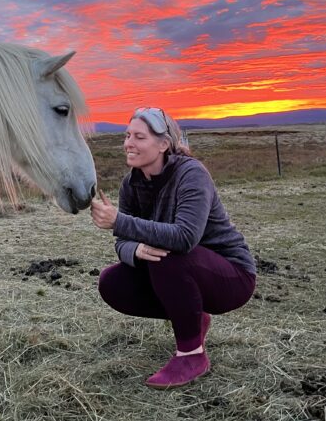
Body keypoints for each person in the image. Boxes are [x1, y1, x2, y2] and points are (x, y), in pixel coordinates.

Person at [90, 107, 256, 389]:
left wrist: (119, 220)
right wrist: (133, 250)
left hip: (232, 276)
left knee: (167, 256)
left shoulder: (191, 174)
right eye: (127, 135)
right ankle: (193, 319)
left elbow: (185, 237)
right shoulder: (130, 183)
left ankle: (192, 356)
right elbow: (123, 242)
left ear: (164, 144)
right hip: (179, 271)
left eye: (139, 137)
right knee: (112, 282)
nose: (128, 143)